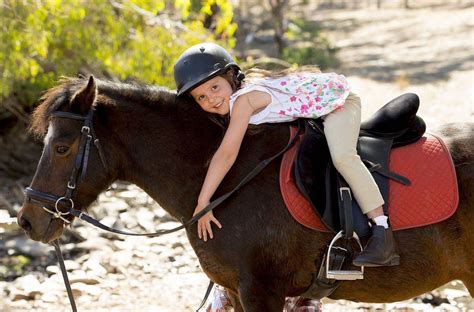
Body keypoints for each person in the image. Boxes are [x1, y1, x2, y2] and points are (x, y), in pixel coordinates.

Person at [173, 42, 399, 267]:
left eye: (214, 87)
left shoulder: (244, 101)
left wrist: (203, 201)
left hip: (338, 102)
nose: (211, 99)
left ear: (231, 75)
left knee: (342, 156)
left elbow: (227, 154)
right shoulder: (235, 100)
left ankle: (381, 230)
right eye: (200, 97)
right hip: (315, 109)